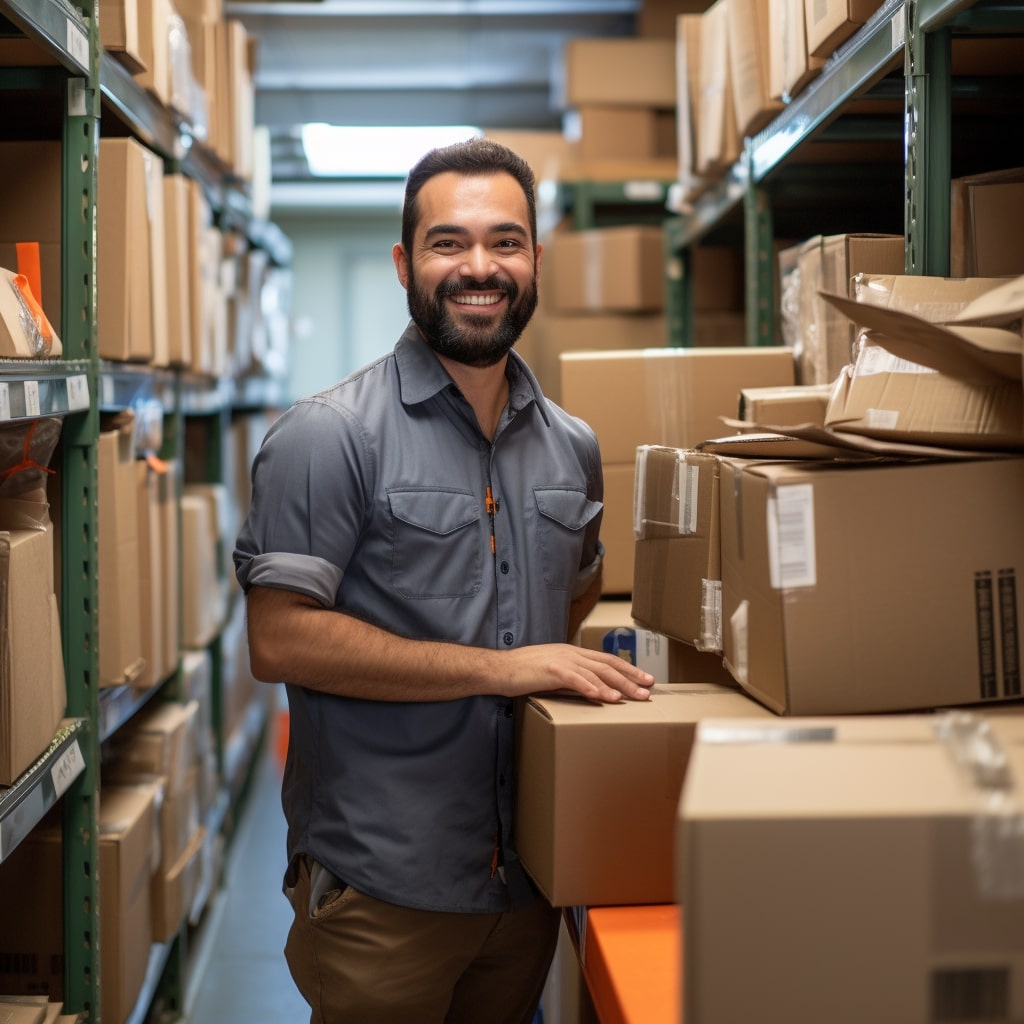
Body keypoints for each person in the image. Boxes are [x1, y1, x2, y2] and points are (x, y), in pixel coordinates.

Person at [233, 136, 653, 1024]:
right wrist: (502, 667)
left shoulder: (573, 448)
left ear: (537, 260)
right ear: (404, 263)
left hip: (526, 883)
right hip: (385, 889)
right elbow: (279, 640)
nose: (479, 267)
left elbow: (572, 593)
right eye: (448, 242)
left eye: (505, 242)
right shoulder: (329, 436)